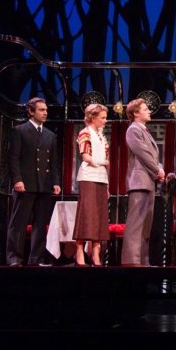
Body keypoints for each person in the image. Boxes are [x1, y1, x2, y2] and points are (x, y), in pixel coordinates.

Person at [5, 97, 61, 266]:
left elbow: (53, 163)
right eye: (41, 110)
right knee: (18, 223)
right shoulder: (20, 131)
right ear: (31, 111)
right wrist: (17, 179)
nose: (45, 113)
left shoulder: (50, 135)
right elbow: (13, 158)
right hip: (25, 184)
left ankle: (36, 259)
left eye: (46, 110)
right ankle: (14, 258)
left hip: (43, 185)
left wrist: (55, 182)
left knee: (40, 224)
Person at [122, 98, 165, 267]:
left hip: (148, 181)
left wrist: (158, 169)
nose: (149, 111)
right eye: (146, 109)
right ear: (136, 113)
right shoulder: (133, 130)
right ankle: (131, 260)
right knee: (136, 223)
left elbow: (152, 155)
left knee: (145, 224)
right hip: (139, 181)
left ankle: (142, 260)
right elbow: (142, 154)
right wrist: (157, 170)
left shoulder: (144, 131)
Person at [72, 103, 110, 266]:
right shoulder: (85, 133)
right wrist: (102, 162)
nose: (105, 121)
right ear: (93, 117)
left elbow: (106, 163)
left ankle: (95, 250)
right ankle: (79, 248)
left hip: (101, 178)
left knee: (100, 215)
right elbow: (85, 156)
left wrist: (107, 185)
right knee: (87, 213)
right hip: (88, 177)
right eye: (102, 117)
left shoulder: (102, 135)